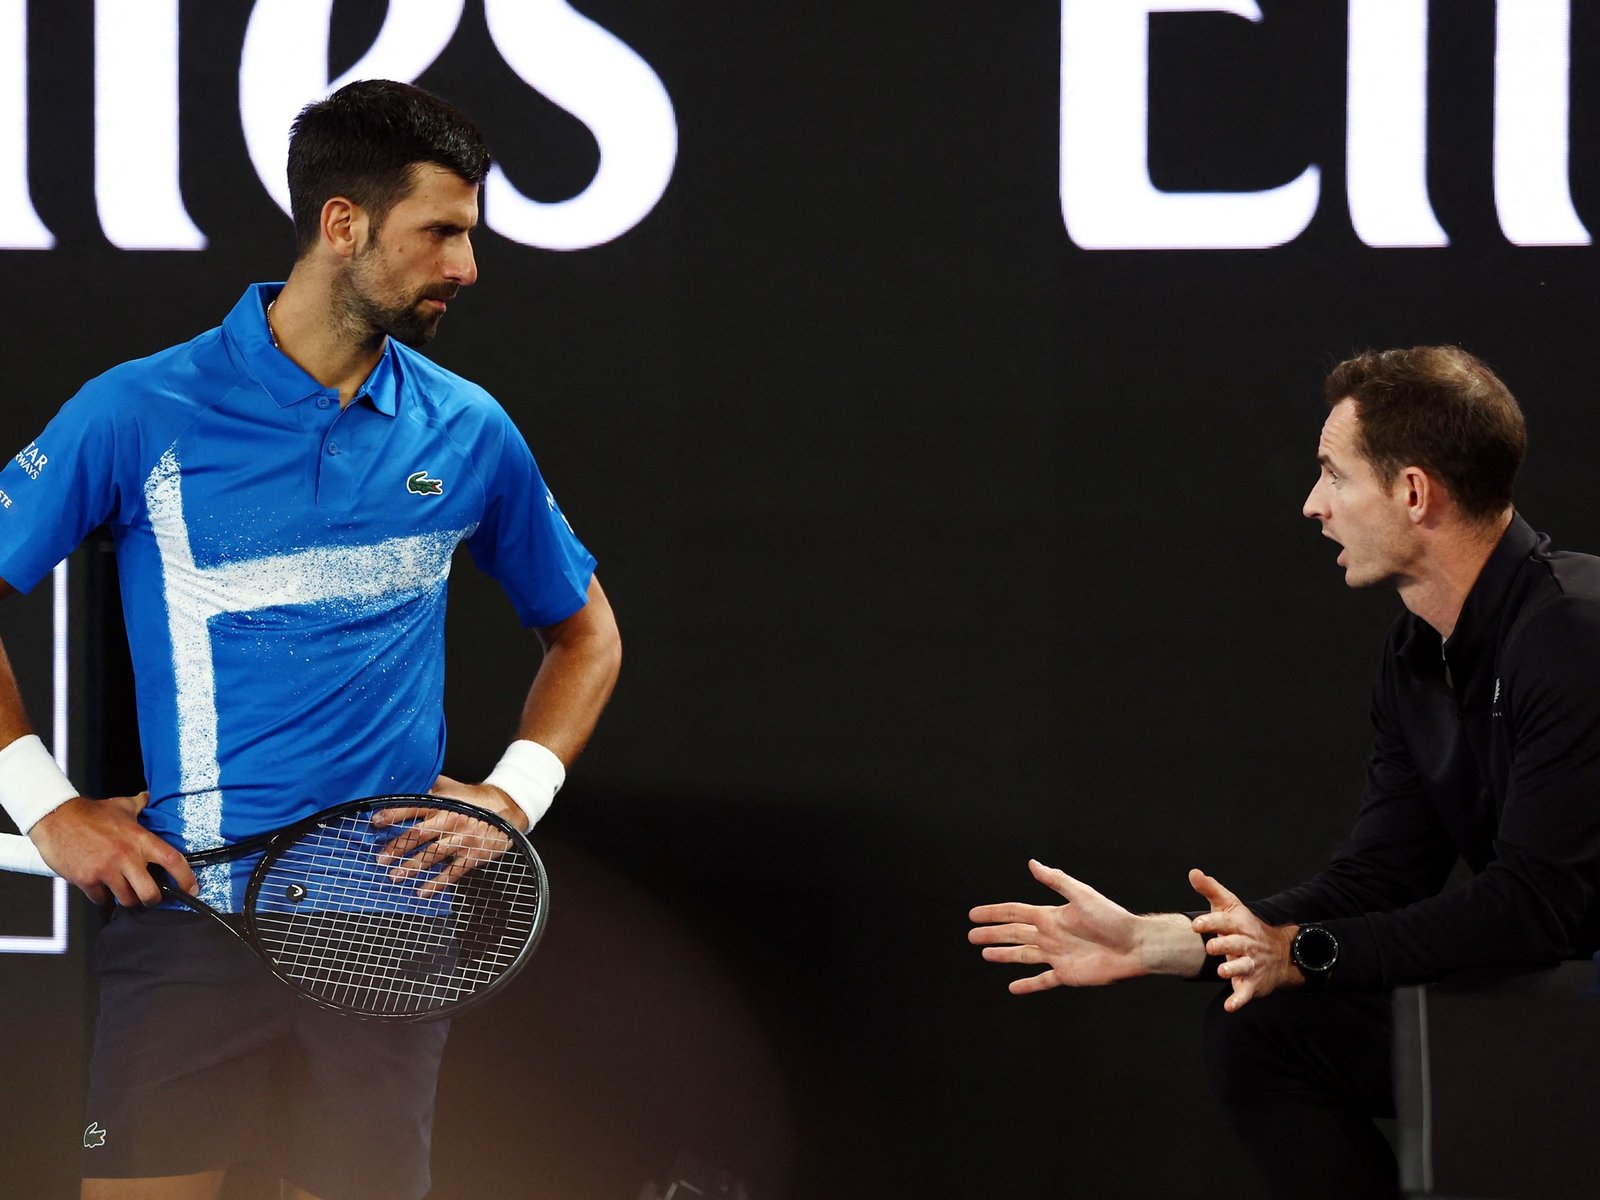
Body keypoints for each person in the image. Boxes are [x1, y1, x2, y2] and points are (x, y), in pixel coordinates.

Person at [0, 79, 621, 1200]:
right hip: (191, 925)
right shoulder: (140, 411)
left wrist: (510, 796)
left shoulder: (469, 429)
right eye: (442, 232)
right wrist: (43, 805)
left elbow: (585, 637)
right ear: (344, 225)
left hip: (392, 934)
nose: (467, 267)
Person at [969, 345, 1600, 1199]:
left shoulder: (1573, 631)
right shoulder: (1417, 655)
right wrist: (1163, 942)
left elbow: (1539, 909)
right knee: (1264, 1029)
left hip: (1575, 1003)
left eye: (1334, 476)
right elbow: (1380, 875)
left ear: (1414, 493)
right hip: (1561, 1005)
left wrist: (1304, 951)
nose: (1314, 506)